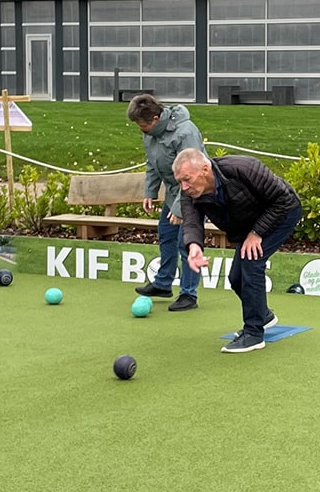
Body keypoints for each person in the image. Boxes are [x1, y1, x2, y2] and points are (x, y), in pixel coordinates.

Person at [174, 148, 300, 353]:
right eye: (180, 181)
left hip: (283, 213)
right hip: (249, 224)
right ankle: (263, 315)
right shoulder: (190, 193)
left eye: (187, 179)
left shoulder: (243, 168)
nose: (184, 187)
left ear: (205, 170)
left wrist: (257, 232)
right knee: (236, 278)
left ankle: (253, 333)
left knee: (251, 263)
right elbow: (192, 222)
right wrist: (194, 246)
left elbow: (283, 200)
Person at [128, 94, 206, 311]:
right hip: (175, 191)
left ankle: (189, 295)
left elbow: (195, 174)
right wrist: (149, 192)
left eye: (142, 124)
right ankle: (163, 284)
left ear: (155, 119)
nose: (140, 128)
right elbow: (152, 164)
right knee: (166, 233)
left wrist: (181, 208)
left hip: (197, 191)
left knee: (186, 241)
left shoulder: (185, 132)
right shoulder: (150, 134)